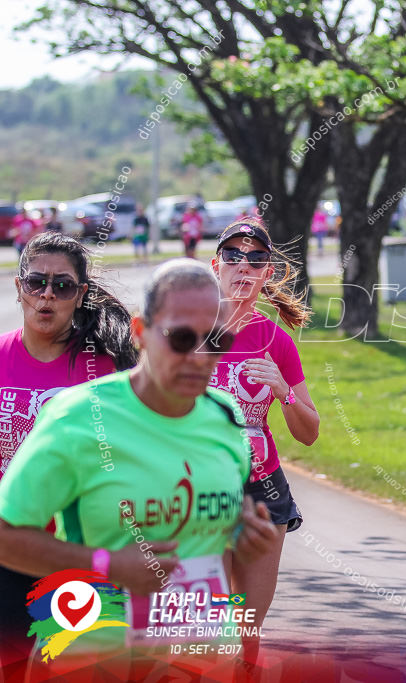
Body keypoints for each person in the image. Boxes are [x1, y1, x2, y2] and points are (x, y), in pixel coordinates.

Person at [0, 259, 278, 668]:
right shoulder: (77, 418)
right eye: (182, 339)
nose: (201, 357)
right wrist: (109, 566)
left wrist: (242, 535)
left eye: (215, 341)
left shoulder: (226, 417)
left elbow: (207, 543)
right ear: (141, 334)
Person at [0, 232, 136, 669]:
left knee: (81, 671)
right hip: (7, 544)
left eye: (61, 286)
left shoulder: (104, 368)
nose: (47, 295)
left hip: (81, 551)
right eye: (37, 282)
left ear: (79, 296)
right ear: (18, 287)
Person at [208, 219, 319, 665]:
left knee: (247, 634)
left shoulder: (276, 340)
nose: (244, 266)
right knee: (210, 624)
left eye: (256, 259)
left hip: (263, 489)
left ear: (268, 272)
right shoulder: (185, 333)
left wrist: (284, 391)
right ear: (215, 265)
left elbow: (308, 432)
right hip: (199, 491)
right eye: (233, 256)